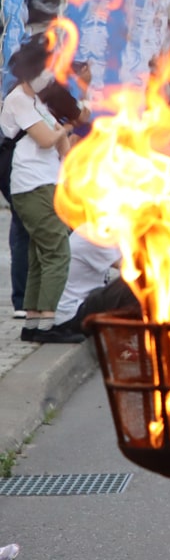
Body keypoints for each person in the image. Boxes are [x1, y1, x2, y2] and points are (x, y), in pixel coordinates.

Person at [3, 42, 75, 342]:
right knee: (58, 250)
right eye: (45, 68)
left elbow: (59, 142)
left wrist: (63, 133)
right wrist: (65, 129)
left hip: (47, 182)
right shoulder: (18, 100)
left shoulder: (38, 102)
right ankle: (49, 322)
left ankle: (33, 324)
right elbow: (47, 139)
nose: (49, 73)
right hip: (29, 184)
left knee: (39, 254)